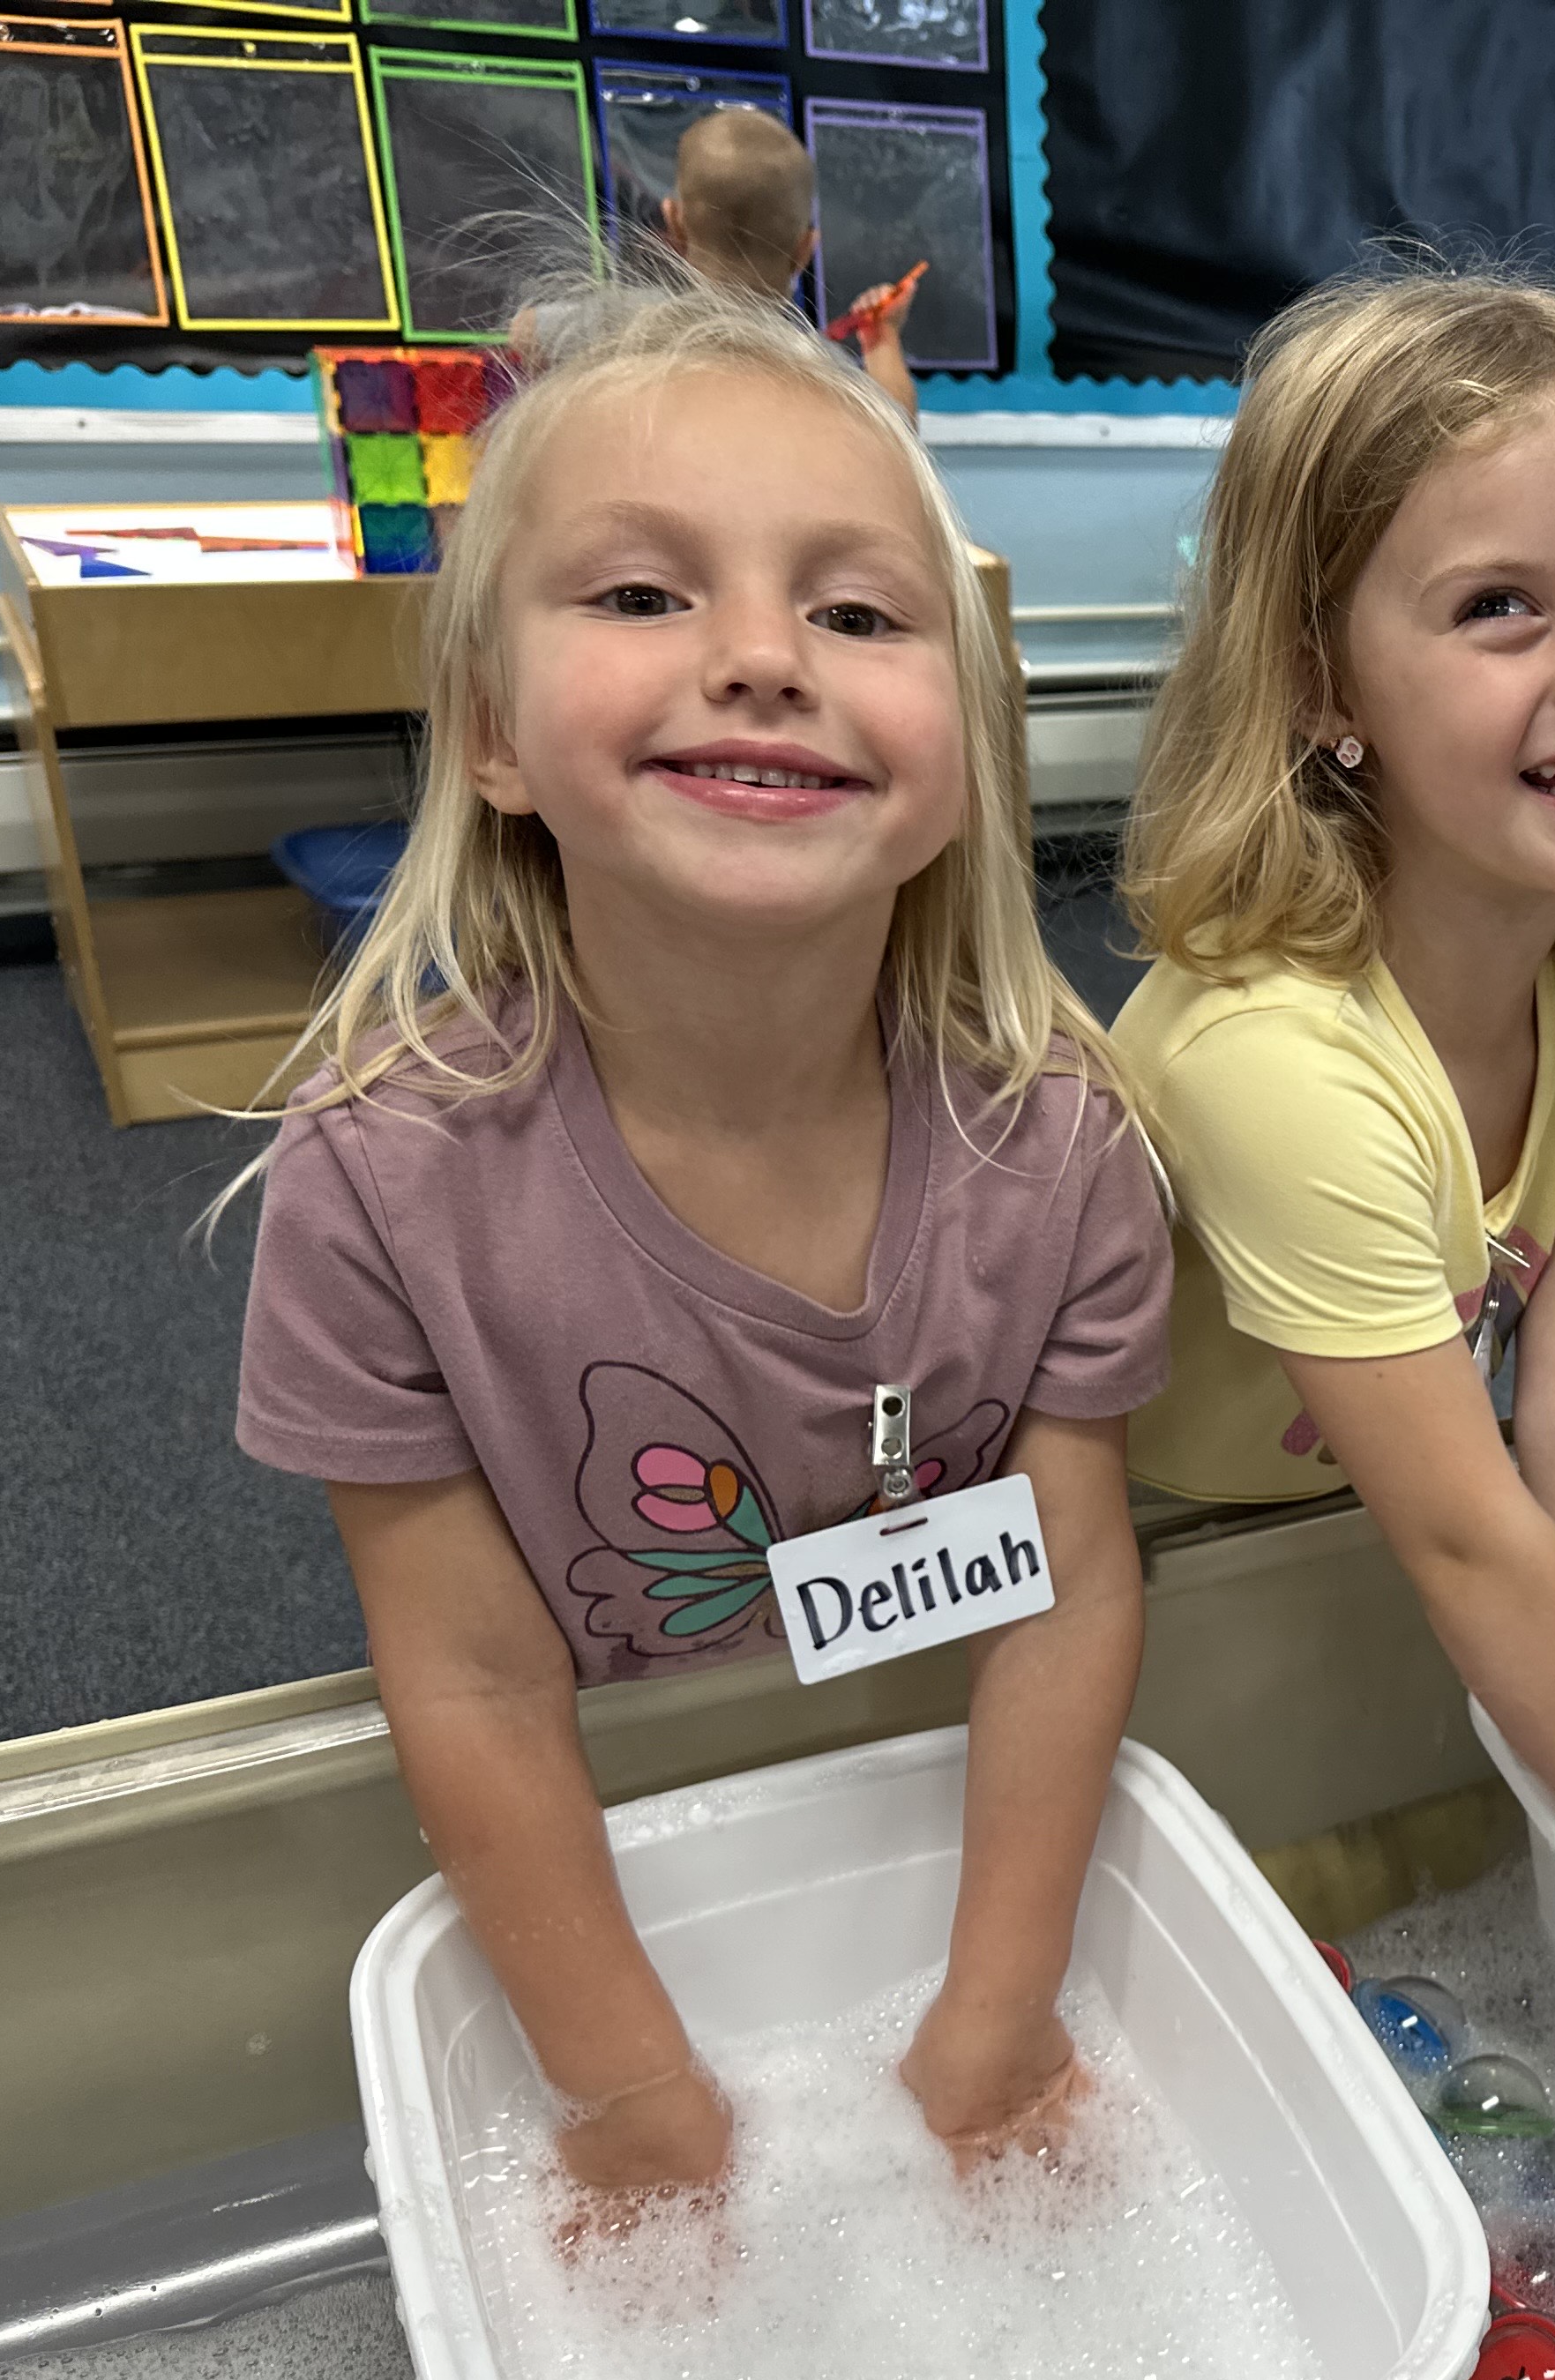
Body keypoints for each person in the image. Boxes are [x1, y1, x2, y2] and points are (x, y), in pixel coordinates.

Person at [231, 285, 1170, 2220]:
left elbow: (1068, 1592)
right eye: (644, 594)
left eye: (859, 613)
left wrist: (998, 2009)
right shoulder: (380, 1187)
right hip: (627, 1845)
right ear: (493, 734)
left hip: (914, 1801)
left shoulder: (1065, 1149)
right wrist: (636, 2097)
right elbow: (474, 1689)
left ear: (967, 749)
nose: (759, 656)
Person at [1110, 264, 1555, 1988]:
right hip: (1174, 1604)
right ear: (1320, 686)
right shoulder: (1279, 1058)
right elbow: (1472, 1536)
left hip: (1361, 1554)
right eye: (1499, 607)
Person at [661, 104, 916, 417]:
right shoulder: (819, 380)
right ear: (804, 250)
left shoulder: (636, 358)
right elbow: (896, 426)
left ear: (674, 225)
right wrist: (883, 338)